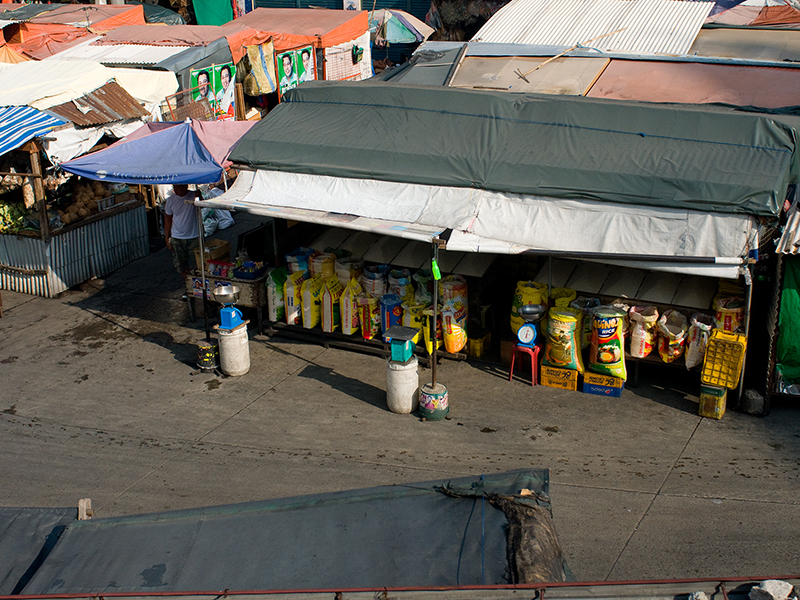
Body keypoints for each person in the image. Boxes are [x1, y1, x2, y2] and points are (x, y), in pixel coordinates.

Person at [164, 184, 201, 297]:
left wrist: (199, 197)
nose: (178, 190)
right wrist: (167, 237)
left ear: (186, 186)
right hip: (177, 238)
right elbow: (168, 219)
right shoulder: (170, 201)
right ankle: (188, 288)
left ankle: (199, 288)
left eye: (180, 187)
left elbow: (202, 206)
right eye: (176, 187)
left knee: (199, 266)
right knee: (181, 266)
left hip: (193, 237)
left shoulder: (193, 196)